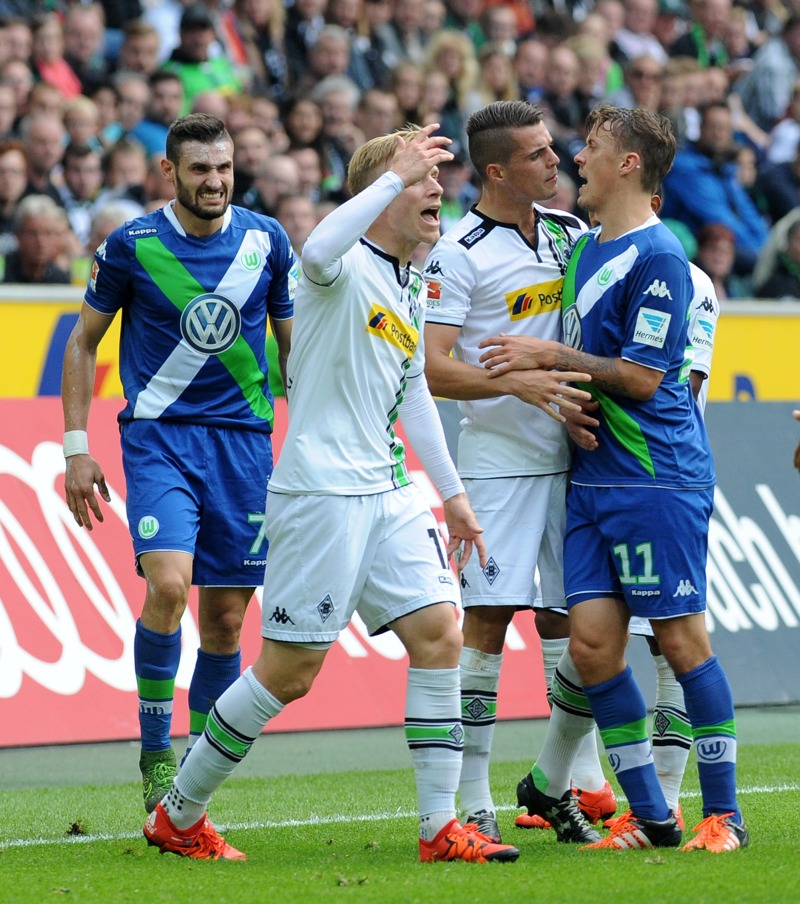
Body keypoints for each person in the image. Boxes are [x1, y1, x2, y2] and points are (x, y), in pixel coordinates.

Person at [141, 122, 521, 865]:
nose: (437, 190)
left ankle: (439, 827)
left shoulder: (410, 280)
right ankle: (179, 813)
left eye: (435, 180)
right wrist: (390, 172)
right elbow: (314, 248)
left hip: (387, 489)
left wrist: (452, 495)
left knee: (441, 632)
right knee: (291, 673)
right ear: (379, 197)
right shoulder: (335, 268)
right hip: (321, 493)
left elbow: (413, 392)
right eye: (420, 180)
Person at [481, 104, 748, 853]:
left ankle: (724, 816)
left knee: (683, 643)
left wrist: (546, 361)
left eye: (593, 146)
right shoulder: (588, 250)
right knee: (594, 650)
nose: (579, 155)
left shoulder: (660, 258)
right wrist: (564, 399)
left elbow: (638, 375)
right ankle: (653, 818)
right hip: (592, 480)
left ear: (629, 164)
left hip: (654, 480)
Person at [61, 113, 295, 814]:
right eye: (200, 169)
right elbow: (82, 345)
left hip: (246, 447)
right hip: (160, 439)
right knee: (168, 583)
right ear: (170, 172)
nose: (215, 181)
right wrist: (77, 448)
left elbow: (295, 348)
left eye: (223, 168)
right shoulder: (131, 245)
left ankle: (198, 772)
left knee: (225, 621)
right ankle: (156, 752)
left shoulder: (267, 239)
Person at [421, 99, 610, 846]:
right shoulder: (458, 251)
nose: (554, 161)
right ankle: (472, 797)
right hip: (498, 466)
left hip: (577, 457)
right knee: (489, 621)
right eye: (537, 155)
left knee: (578, 619)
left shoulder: (570, 235)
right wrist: (516, 384)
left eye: (552, 149)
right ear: (496, 170)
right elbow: (433, 370)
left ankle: (572, 781)